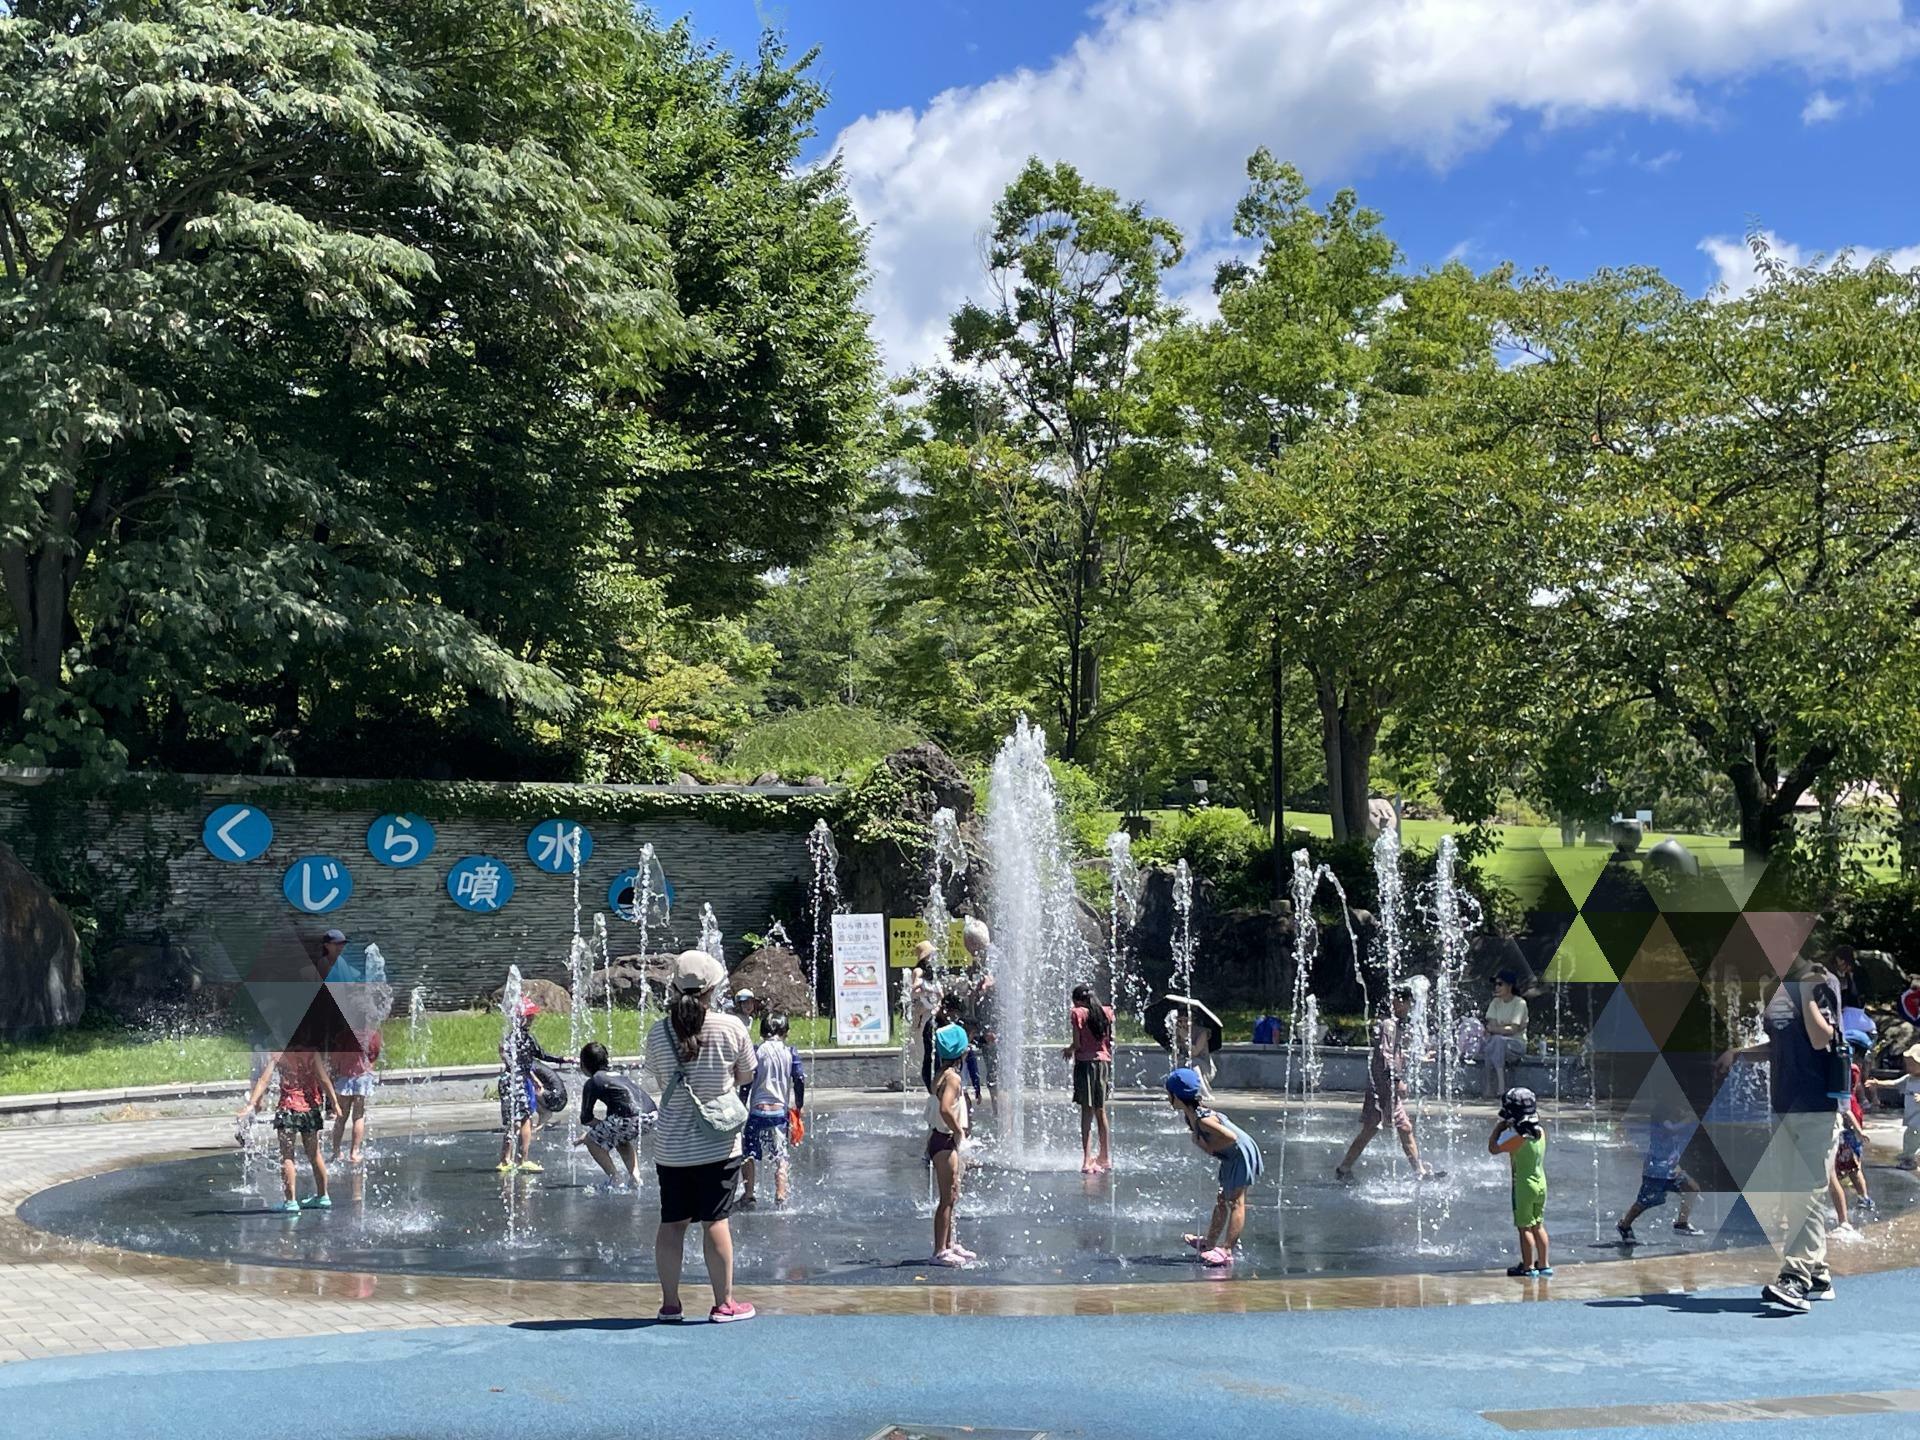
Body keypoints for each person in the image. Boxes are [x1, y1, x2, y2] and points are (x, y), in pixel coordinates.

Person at [1718, 954, 1846, 1313]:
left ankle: (1796, 1280)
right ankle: (1818, 1272)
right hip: (1784, 1103)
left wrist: (1805, 995)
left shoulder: (1819, 980)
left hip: (1817, 1104)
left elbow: (1822, 1039)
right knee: (1794, 1193)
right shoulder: (1773, 987)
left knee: (1805, 1192)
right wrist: (1738, 1053)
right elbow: (1780, 1045)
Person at [642, 950, 757, 1323]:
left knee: (672, 1224)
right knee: (716, 1221)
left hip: (672, 1148)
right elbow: (746, 1076)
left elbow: (661, 1081)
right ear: (713, 988)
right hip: (718, 1144)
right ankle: (724, 1304)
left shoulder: (658, 1032)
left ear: (675, 987)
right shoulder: (731, 1027)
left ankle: (670, 1305)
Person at [1335, 983, 1436, 1182]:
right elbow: (1385, 1055)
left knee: (1375, 1127)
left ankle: (1344, 1168)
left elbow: (1394, 1053)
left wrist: (1418, 1058)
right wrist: (1397, 1081)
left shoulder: (1393, 1024)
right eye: (1407, 1002)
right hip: (1384, 1085)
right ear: (1400, 1002)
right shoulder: (1388, 1025)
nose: (1408, 1007)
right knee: (1401, 1127)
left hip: (1381, 1083)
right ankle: (1419, 1172)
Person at [1164, 1066, 1261, 1267]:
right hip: (1231, 1156)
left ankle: (1226, 1251)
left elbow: (1231, 1137)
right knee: (1221, 1199)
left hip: (1240, 1154)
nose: (1167, 1098)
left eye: (1169, 1094)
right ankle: (1209, 1242)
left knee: (1236, 1202)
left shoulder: (1202, 1119)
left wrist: (1209, 1148)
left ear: (1177, 1097)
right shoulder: (1192, 1116)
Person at [238, 1046, 339, 1213]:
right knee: (315, 1154)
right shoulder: (312, 1052)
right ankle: (323, 1196)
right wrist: (334, 1103)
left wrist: (251, 1104)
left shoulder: (278, 1052)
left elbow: (264, 1080)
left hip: (288, 1109)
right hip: (310, 1109)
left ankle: (290, 1201)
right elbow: (324, 1079)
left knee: (287, 1156)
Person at [742, 1013, 805, 1208]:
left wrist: (742, 1101)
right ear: (785, 1031)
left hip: (757, 1110)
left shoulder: (756, 1050)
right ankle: (780, 1194)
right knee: (780, 1154)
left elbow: (747, 1081)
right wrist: (799, 1104)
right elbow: (800, 1079)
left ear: (762, 1031)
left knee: (749, 1152)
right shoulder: (790, 1052)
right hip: (779, 1112)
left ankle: (749, 1194)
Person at [926, 1021, 975, 1267]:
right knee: (947, 1197)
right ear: (961, 1051)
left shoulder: (943, 1074)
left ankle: (950, 1243)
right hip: (945, 1141)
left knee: (952, 1195)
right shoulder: (953, 1078)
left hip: (940, 1140)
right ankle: (939, 1250)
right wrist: (959, 1131)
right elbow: (946, 1108)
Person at [497, 1000, 566, 1174]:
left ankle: (505, 1160)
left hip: (507, 1081)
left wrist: (532, 1077)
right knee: (525, 1119)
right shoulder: (526, 1038)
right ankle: (522, 1160)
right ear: (524, 1018)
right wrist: (563, 1059)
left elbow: (517, 1062)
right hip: (518, 1082)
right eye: (531, 1016)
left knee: (514, 1121)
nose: (533, 1018)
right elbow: (541, 1055)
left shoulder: (510, 1037)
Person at [574, 1041, 653, 1191]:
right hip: (651, 1115)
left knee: (591, 1141)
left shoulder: (593, 1081)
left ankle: (615, 1179)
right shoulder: (619, 1076)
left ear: (584, 1065)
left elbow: (586, 1118)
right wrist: (604, 1128)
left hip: (629, 1117)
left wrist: (588, 1136)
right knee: (620, 1138)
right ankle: (636, 1177)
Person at [1615, 1107, 1703, 1243]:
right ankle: (1624, 1225)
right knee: (1644, 1203)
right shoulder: (1661, 1120)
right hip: (1655, 1171)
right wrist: (1689, 1119)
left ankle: (1681, 1224)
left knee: (1692, 1189)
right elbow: (1671, 1129)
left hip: (1671, 1170)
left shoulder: (1672, 1119)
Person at [1490, 1086, 1549, 1277]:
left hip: (1523, 1187)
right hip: (1541, 1184)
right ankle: (1544, 1264)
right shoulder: (1540, 1132)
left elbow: (1493, 1148)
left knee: (1524, 1228)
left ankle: (1528, 1266)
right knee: (1538, 1225)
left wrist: (1499, 1128)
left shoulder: (1516, 1138)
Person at [1065, 985, 1115, 1174]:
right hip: (1103, 1064)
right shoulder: (1106, 1012)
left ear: (1077, 1000)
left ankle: (1086, 1160)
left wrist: (1069, 1050)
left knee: (1087, 1111)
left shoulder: (1078, 1013)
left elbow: (1078, 1044)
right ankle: (1104, 1157)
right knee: (1100, 1111)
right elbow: (1109, 1041)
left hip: (1085, 1065)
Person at [328, 1023, 380, 1165]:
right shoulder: (372, 1033)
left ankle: (336, 1151)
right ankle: (354, 1152)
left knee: (341, 1116)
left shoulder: (344, 1033)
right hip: (363, 1077)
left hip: (345, 1076)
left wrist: (333, 1071)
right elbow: (374, 1053)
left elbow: (335, 1056)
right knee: (358, 1115)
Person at [1865, 1043, 1920, 1171]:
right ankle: (1909, 1157)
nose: (1909, 1067)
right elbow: (1894, 1083)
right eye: (1908, 1064)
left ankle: (1911, 1158)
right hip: (1912, 1117)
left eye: (1913, 1064)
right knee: (1910, 1138)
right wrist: (1878, 1083)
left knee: (1914, 1138)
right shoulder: (1909, 1078)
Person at [1482, 971, 1529, 1098]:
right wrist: (1500, 1029)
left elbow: (1513, 1030)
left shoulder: (1519, 1003)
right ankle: (1492, 1087)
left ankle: (1498, 1086)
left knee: (1496, 1041)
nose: (1496, 987)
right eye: (1495, 984)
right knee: (1491, 1043)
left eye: (1500, 984)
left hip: (1516, 1044)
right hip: (1499, 1043)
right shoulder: (1495, 1003)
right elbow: (1492, 1026)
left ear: (1510, 986)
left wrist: (1496, 1029)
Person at [911, 950, 943, 1091]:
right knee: (926, 1050)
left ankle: (935, 1083)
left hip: (931, 1011)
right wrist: (928, 990)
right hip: (923, 1012)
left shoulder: (931, 971)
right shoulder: (918, 971)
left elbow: (940, 995)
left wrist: (938, 1005)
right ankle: (930, 1085)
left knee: (932, 1049)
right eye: (930, 955)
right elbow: (914, 989)